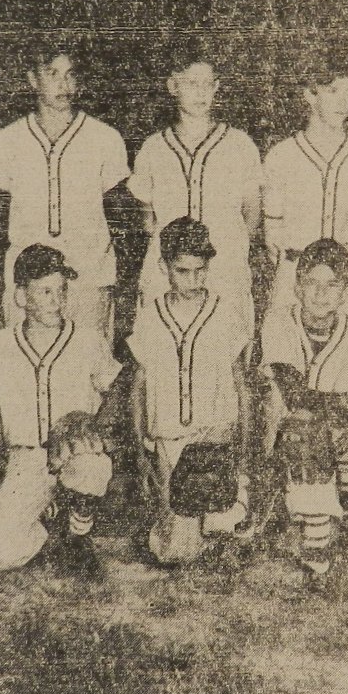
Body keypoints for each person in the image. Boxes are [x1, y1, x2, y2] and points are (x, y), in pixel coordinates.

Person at [0, 245, 122, 575]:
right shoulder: (4, 343)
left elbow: (114, 391)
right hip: (26, 456)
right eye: (44, 291)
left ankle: (78, 534)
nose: (56, 300)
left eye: (61, 290)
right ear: (20, 296)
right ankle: (52, 522)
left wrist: (95, 426)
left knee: (91, 466)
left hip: (74, 451)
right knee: (0, 555)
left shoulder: (87, 338)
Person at [260, 238, 348, 586]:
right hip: (277, 432)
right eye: (311, 284)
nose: (320, 294)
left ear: (346, 292)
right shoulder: (278, 321)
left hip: (334, 430)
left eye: (331, 285)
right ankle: (316, 556)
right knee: (306, 432)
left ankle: (347, 509)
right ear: (296, 287)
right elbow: (293, 394)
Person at [0, 41, 129, 343]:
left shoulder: (105, 138)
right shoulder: (6, 141)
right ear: (32, 80)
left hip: (88, 275)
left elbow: (118, 215)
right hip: (28, 279)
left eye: (70, 75)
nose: (64, 85)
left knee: (88, 372)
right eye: (52, 74)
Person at [128, 218, 252, 564]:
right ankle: (167, 527)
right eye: (183, 271)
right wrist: (141, 449)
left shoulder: (224, 311)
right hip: (170, 438)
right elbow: (138, 386)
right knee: (175, 554)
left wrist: (241, 449)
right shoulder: (150, 314)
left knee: (222, 528)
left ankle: (230, 512)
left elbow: (240, 383)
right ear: (164, 267)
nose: (194, 280)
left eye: (201, 270)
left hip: (214, 436)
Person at [129, 45, 262, 331]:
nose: (201, 93)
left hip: (223, 266)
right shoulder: (153, 148)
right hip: (167, 269)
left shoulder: (239, 144)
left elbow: (251, 214)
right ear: (173, 86)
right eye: (191, 84)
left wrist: (229, 250)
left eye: (207, 85)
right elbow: (148, 219)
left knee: (227, 351)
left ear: (216, 87)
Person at [263, 60, 348, 321]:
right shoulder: (281, 156)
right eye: (332, 91)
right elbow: (272, 239)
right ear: (310, 94)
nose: (343, 102)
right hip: (295, 281)